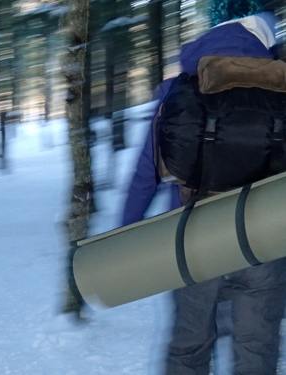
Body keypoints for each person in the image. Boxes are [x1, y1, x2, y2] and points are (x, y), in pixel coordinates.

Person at [120, 2, 286, 374]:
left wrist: (127, 235)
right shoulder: (280, 91)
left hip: (192, 239)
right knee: (257, 350)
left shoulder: (182, 89)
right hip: (264, 243)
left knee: (189, 347)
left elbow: (146, 173)